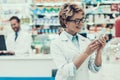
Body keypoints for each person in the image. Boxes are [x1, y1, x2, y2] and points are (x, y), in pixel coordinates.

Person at [50, 3, 107, 80]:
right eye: (77, 20)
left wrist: (99, 51)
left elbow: (94, 69)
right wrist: (86, 53)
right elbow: (66, 71)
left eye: (82, 20)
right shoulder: (56, 44)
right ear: (65, 22)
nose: (80, 24)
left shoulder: (85, 41)